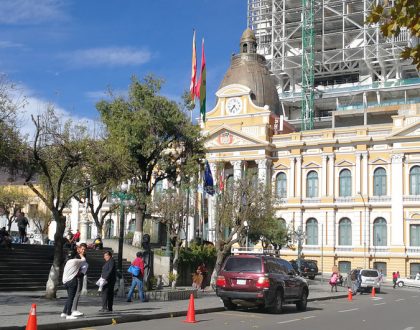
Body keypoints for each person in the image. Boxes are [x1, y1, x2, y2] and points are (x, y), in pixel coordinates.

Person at [61, 247, 86, 320]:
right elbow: (84, 260)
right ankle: (69, 314)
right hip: (72, 281)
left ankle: (64, 312)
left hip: (65, 281)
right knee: (71, 298)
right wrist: (80, 253)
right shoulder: (75, 261)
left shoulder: (67, 261)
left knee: (69, 298)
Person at [71, 243, 88, 317]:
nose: (83, 250)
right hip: (77, 277)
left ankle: (70, 310)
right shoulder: (77, 256)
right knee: (77, 293)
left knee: (75, 294)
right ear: (79, 249)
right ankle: (74, 310)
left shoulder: (84, 256)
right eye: (82, 249)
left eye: (85, 249)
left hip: (80, 276)